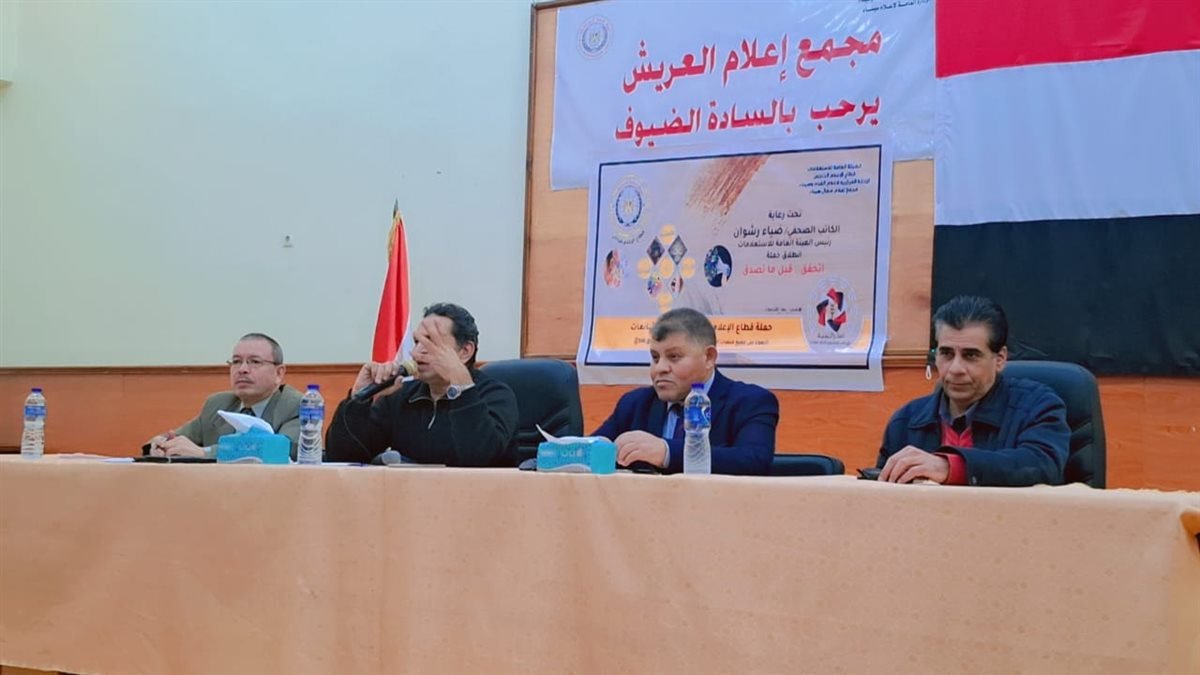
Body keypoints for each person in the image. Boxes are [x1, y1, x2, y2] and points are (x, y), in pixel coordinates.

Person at [876, 295, 1070, 486]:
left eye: (970, 355)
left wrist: (951, 467)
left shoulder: (1038, 407)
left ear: (1000, 359)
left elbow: (1043, 465)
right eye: (946, 354)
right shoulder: (906, 421)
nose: (955, 369)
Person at [325, 302, 518, 467]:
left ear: (465, 351)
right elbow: (344, 457)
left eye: (431, 342)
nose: (416, 352)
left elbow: (481, 459)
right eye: (417, 341)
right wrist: (359, 398)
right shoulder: (401, 396)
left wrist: (462, 386)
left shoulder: (496, 395)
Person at [592, 307, 778, 474]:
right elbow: (590, 450)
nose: (660, 368)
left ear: (709, 357)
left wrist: (666, 452)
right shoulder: (635, 404)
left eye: (674, 357)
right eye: (655, 358)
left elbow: (754, 460)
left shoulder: (750, 402)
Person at [146, 333, 302, 458]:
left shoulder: (296, 405)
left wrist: (205, 453)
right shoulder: (218, 404)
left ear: (279, 373)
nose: (242, 369)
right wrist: (162, 445)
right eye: (236, 361)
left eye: (255, 362)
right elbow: (179, 437)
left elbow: (281, 448)